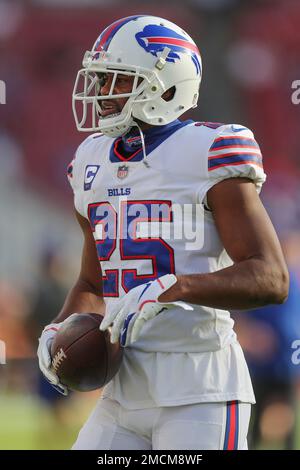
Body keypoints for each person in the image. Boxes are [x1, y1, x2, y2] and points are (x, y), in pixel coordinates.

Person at [37, 15, 289, 450]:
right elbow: (93, 283)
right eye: (99, 79)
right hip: (121, 390)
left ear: (165, 86)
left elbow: (270, 277)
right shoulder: (90, 160)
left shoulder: (209, 150)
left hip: (200, 390)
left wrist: (172, 288)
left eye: (115, 79)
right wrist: (57, 330)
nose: (99, 93)